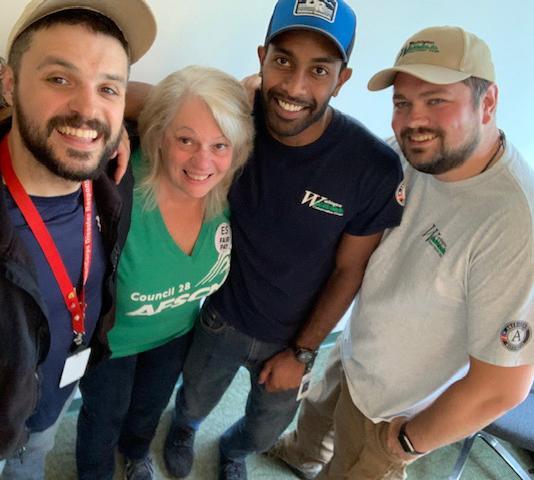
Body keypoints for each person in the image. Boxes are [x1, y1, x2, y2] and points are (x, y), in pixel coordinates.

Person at [267, 25, 534, 480]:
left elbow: (501, 388)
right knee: (316, 424)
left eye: (436, 100)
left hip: (393, 410)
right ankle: (301, 454)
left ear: (488, 102)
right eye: (402, 102)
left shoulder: (524, 230)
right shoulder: (416, 156)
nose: (413, 120)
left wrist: (406, 441)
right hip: (356, 352)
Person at [155, 1, 404, 479]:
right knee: (193, 397)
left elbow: (350, 269)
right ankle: (184, 428)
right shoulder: (232, 122)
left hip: (294, 336)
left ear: (342, 79)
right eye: (283, 60)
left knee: (266, 429)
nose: (294, 86)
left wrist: (303, 353)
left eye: (318, 70)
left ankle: (232, 450)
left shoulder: (371, 167)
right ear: (262, 57)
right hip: (220, 316)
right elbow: (161, 109)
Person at [0, 0, 156, 478]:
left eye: (107, 87)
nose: (88, 110)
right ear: (8, 83)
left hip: (50, 403)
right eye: (58, 79)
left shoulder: (113, 178)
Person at [75, 65, 254, 480]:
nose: (203, 161)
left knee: (149, 408)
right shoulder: (116, 188)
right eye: (185, 139)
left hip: (175, 336)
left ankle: (137, 453)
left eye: (220, 145)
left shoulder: (230, 194)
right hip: (109, 345)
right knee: (103, 419)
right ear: (158, 136)